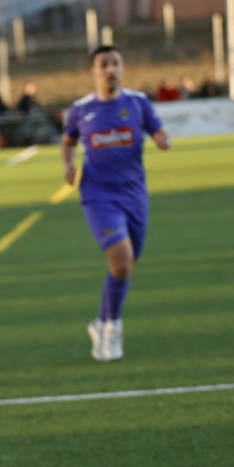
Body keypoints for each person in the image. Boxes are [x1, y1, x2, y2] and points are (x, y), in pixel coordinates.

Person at [61, 44, 171, 362]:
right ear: (93, 71)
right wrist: (67, 165)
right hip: (98, 195)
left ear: (123, 68)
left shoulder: (138, 103)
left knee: (126, 266)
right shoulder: (81, 109)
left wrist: (163, 139)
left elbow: (158, 130)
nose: (111, 69)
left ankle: (101, 321)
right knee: (121, 261)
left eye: (116, 64)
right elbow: (68, 140)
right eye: (104, 64)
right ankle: (112, 328)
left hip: (135, 194)